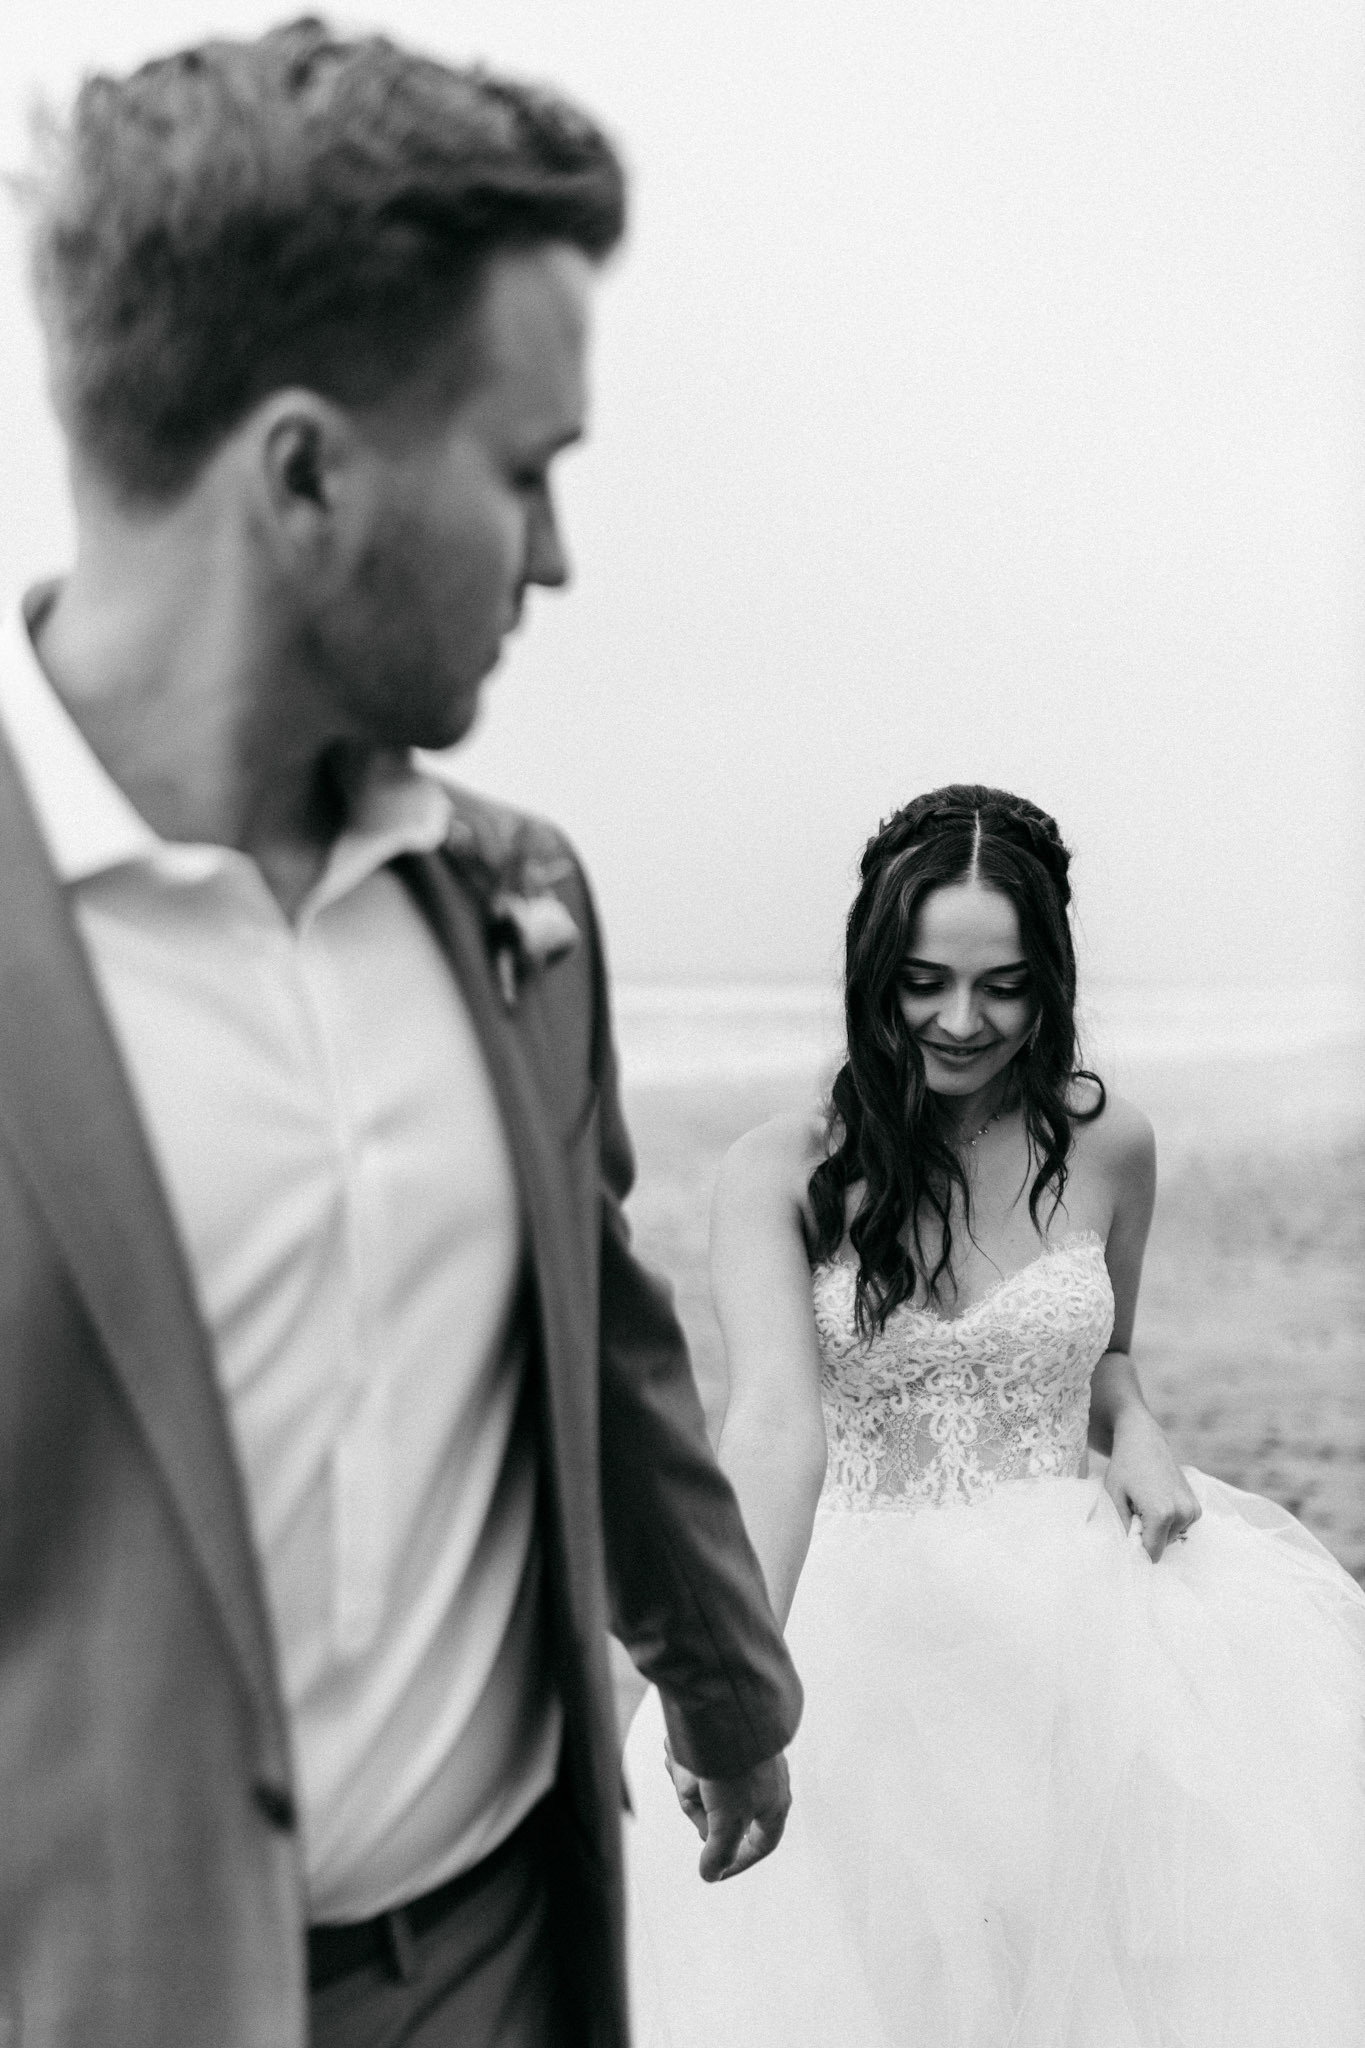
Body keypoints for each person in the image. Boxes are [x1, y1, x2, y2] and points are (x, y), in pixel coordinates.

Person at [0, 21, 801, 2048]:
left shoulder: (519, 905)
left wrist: (726, 1685)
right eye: (525, 472)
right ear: (303, 477)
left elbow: (601, 1337)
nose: (558, 555)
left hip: (504, 1968)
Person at [624, 785, 1365, 2047]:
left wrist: (1134, 1424)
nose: (962, 1021)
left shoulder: (1113, 1145)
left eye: (1004, 986)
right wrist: (736, 1687)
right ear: (871, 970)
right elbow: (774, 1434)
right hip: (865, 1637)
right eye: (923, 981)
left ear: (1051, 982)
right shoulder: (781, 1170)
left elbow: (1104, 1352)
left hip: (1087, 1644)